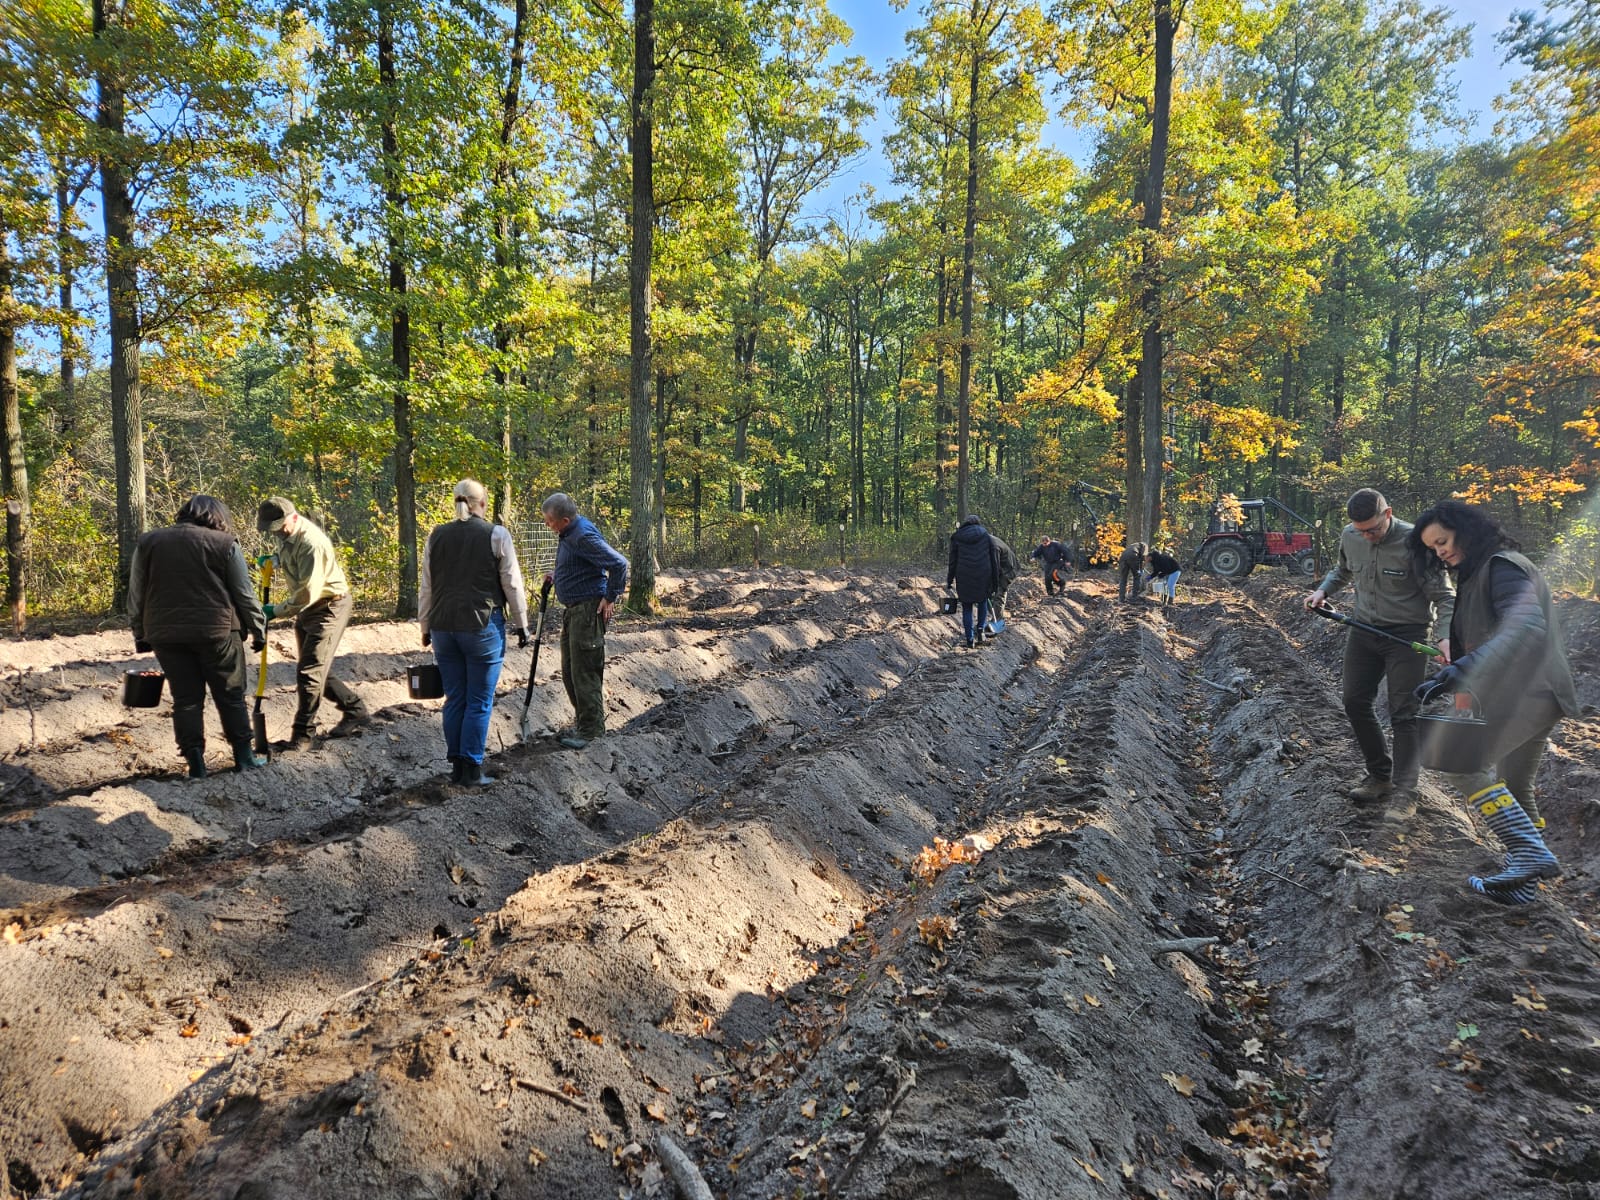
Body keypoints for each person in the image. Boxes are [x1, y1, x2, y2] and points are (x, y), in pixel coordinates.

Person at [1408, 500, 1577, 903]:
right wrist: (1459, 671)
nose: (1440, 552)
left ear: (1465, 530)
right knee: (1516, 785)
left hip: (1528, 691)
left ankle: (1531, 853)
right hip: (1535, 691)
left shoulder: (1503, 566)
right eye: (1432, 548)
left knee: (1458, 762)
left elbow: (1526, 629)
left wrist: (1465, 666)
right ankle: (1525, 888)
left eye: (1443, 541)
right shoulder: (1479, 572)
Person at [1304, 488, 1454, 807]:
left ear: (1388, 514)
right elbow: (1343, 570)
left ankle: (1405, 790)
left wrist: (1444, 637)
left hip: (1407, 636)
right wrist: (1323, 591)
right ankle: (1379, 775)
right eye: (1361, 531)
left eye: (1373, 529)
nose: (1367, 536)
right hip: (1363, 630)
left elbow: (1444, 596)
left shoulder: (1417, 543)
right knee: (1355, 701)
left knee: (1404, 713)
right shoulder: (1351, 536)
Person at [128, 495, 268, 777]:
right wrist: (258, 628)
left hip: (166, 635)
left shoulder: (149, 542)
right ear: (217, 516)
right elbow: (244, 593)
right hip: (217, 632)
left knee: (186, 699)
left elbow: (136, 592)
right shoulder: (225, 544)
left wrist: (139, 631)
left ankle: (196, 764)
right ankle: (244, 757)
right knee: (230, 695)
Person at [419, 479, 531, 785]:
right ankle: (471, 768)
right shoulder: (496, 534)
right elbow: (512, 583)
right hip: (481, 626)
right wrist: (522, 625)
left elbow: (427, 586)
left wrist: (425, 626)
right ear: (481, 503)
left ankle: (456, 767)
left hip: (443, 628)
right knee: (479, 700)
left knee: (455, 698)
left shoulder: (436, 536)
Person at [256, 497, 369, 750]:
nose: (276, 533)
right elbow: (290, 558)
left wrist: (276, 610)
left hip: (328, 607)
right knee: (315, 671)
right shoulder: (286, 534)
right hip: (308, 609)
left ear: (292, 518)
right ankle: (355, 709)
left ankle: (303, 735)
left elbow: (308, 593)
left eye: (278, 528)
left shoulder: (311, 543)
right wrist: (275, 560)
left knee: (309, 674)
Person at [542, 492, 629, 749]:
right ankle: (584, 724)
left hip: (587, 611)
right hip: (573, 610)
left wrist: (611, 596)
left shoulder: (582, 536)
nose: (547, 526)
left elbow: (619, 564)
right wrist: (558, 573)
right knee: (569, 671)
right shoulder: (569, 534)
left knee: (585, 672)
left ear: (565, 520)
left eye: (549, 521)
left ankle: (592, 732)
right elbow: (581, 564)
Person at [947, 514, 999, 648]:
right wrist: (995, 580)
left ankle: (970, 639)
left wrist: (949, 579)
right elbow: (994, 559)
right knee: (982, 601)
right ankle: (981, 629)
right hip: (983, 574)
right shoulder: (986, 536)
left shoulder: (957, 536)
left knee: (967, 606)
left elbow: (952, 560)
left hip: (964, 575)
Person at [989, 531, 1021, 626]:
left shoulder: (993, 546)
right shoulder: (984, 542)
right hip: (1001, 568)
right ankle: (995, 614)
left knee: (999, 592)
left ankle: (997, 621)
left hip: (1008, 570)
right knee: (989, 592)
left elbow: (995, 567)